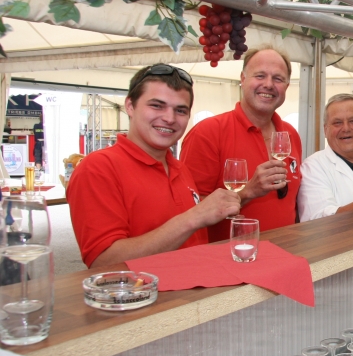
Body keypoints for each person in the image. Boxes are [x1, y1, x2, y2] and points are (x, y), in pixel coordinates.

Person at [68, 64, 240, 268]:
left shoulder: (180, 169)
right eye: (157, 106)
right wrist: (193, 218)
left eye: (180, 110)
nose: (169, 118)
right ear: (130, 106)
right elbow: (103, 261)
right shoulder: (97, 168)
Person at [181, 48, 302, 243]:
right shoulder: (208, 132)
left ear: (287, 86)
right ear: (243, 79)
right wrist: (247, 192)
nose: (268, 84)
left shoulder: (290, 135)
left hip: (285, 253)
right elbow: (189, 211)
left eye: (278, 79)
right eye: (260, 75)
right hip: (228, 257)